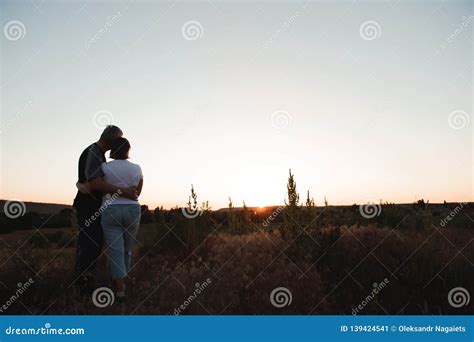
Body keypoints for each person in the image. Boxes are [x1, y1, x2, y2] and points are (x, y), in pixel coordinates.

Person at [73, 125, 136, 293]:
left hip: (93, 206)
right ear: (112, 140)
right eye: (118, 140)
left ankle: (85, 284)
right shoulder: (93, 152)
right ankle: (82, 287)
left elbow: (92, 182)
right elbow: (96, 183)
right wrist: (124, 192)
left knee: (93, 245)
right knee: (89, 245)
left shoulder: (97, 153)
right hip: (88, 207)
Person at [99, 137, 143, 303]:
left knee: (115, 251)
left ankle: (120, 291)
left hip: (111, 209)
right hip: (132, 209)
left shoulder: (104, 167)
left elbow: (101, 187)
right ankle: (122, 281)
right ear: (128, 150)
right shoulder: (137, 168)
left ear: (112, 150)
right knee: (127, 249)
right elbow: (138, 191)